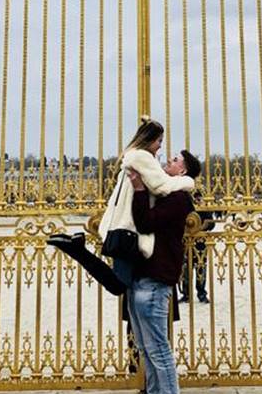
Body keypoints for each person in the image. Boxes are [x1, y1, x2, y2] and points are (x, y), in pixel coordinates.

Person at [46, 119, 194, 295]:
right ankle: (76, 249)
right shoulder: (142, 158)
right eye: (159, 141)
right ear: (148, 139)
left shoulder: (135, 157)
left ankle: (76, 248)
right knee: (118, 285)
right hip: (128, 226)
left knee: (120, 283)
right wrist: (187, 181)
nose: (161, 147)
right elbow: (161, 186)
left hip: (123, 223)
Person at [125, 148, 202, 394]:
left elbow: (145, 223)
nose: (166, 162)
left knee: (158, 349)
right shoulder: (165, 192)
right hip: (140, 274)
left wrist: (140, 189)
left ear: (182, 171)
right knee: (145, 347)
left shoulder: (179, 198)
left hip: (157, 277)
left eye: (173, 161)